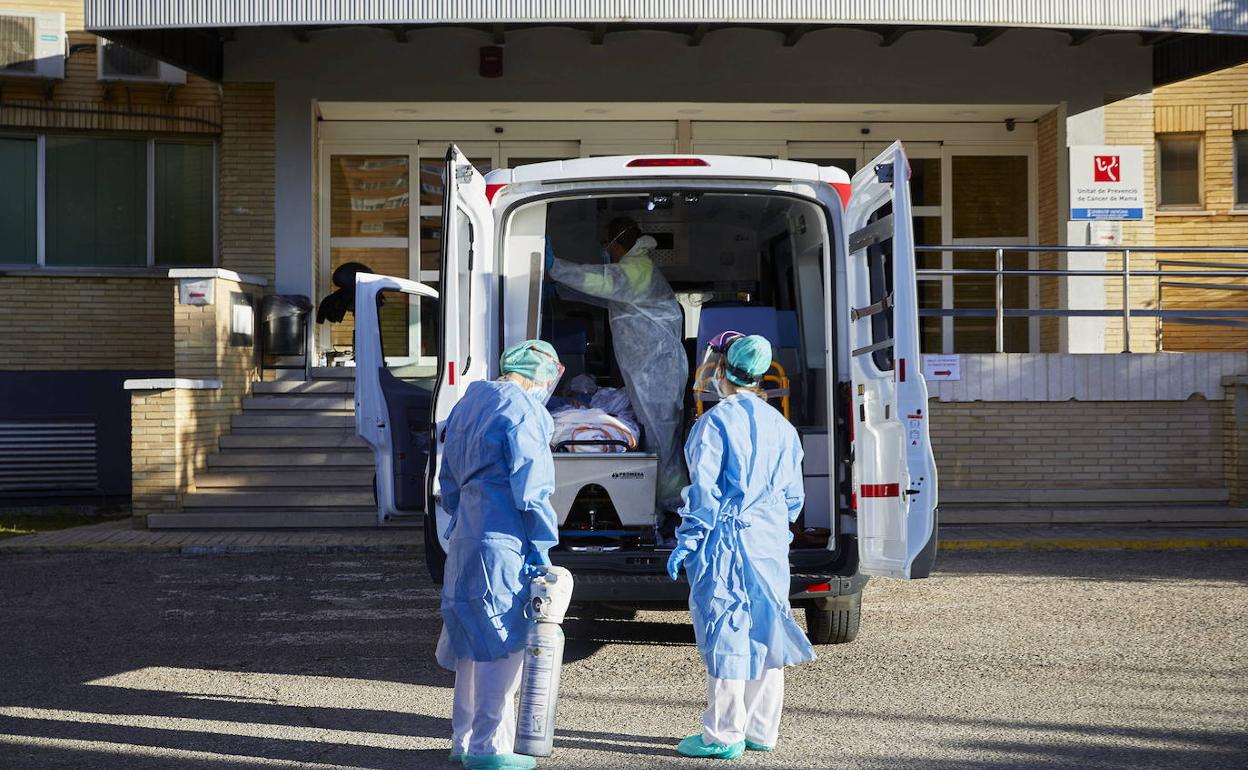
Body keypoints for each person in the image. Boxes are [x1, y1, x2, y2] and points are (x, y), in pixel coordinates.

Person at [666, 333, 816, 759]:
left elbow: (705, 494)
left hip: (726, 543)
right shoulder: (782, 427)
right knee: (768, 631)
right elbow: (793, 499)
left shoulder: (713, 423)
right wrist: (771, 530)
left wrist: (688, 539)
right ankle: (761, 731)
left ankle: (723, 735)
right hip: (768, 543)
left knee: (727, 632)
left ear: (721, 370)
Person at [436, 339, 565, 770]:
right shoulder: (524, 410)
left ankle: (463, 739)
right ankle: (490, 749)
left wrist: (466, 516)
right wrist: (543, 547)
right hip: (503, 537)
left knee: (470, 641)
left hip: (466, 535)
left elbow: (447, 480)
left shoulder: (468, 403)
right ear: (541, 373)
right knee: (502, 641)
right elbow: (532, 488)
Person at [545, 217, 690, 510]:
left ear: (617, 243)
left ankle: (669, 501)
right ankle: (658, 499)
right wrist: (559, 289)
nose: (606, 251)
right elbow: (604, 294)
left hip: (657, 369)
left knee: (662, 435)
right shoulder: (634, 273)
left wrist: (555, 267)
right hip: (649, 369)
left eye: (607, 245)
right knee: (656, 433)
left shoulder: (637, 269)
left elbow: (603, 282)